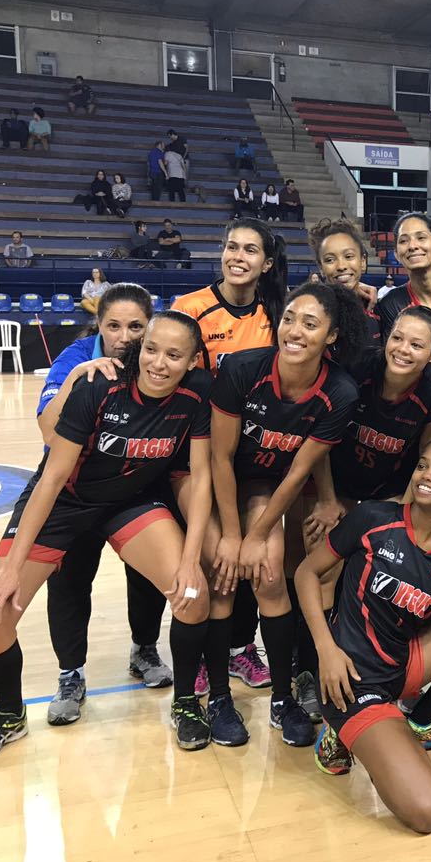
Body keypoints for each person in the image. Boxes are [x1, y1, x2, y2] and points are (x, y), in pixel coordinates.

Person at [0, 311, 214, 764]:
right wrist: (13, 567)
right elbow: (52, 478)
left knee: (193, 596)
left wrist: (192, 559)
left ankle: (186, 702)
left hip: (129, 501)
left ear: (192, 361)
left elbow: (203, 475)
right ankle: (9, 715)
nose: (158, 363)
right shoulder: (97, 387)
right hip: (65, 502)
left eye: (174, 355)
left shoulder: (197, 397)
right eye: (151, 349)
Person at [201, 282, 367, 748]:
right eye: (289, 318)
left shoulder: (340, 391)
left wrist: (258, 535)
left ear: (331, 336)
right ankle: (217, 698)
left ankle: (281, 698)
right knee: (222, 571)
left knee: (271, 572)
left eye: (310, 324)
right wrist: (234, 536)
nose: (294, 330)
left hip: (270, 485)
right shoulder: (241, 368)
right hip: (222, 480)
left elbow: (299, 472)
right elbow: (220, 458)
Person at [295, 438, 431, 833]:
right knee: (429, 811)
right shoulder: (374, 520)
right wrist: (325, 648)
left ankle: (419, 722)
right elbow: (306, 573)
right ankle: (348, 734)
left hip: (401, 667)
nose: (427, 476)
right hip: (349, 681)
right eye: (422, 466)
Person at [34, 285, 175, 724]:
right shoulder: (75, 358)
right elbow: (47, 432)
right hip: (75, 489)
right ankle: (70, 673)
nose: (125, 337)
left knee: (149, 573)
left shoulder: (157, 360)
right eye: (114, 326)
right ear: (99, 326)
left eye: (136, 326)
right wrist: (78, 379)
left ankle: (144, 649)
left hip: (132, 484)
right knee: (72, 580)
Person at [173, 218, 291, 692]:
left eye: (249, 250)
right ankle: (206, 654)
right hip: (201, 452)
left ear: (265, 262)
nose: (237, 257)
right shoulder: (191, 309)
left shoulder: (277, 313)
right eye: (230, 247)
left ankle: (244, 650)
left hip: (258, 459)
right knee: (214, 560)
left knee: (252, 563)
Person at [325, 306, 431, 508]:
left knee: (389, 537)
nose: (403, 349)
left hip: (390, 489)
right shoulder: (358, 365)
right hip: (334, 478)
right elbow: (321, 438)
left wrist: (403, 509)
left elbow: (427, 459)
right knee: (316, 531)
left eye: (416, 345)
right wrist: (326, 501)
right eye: (397, 338)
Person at [310, 215, 381, 350]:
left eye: (348, 256)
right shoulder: (311, 312)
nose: (341, 266)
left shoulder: (379, 309)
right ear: (321, 268)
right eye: (330, 260)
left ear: (363, 261)